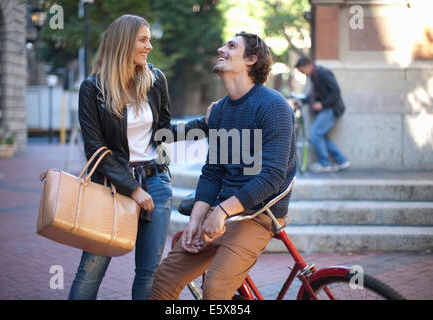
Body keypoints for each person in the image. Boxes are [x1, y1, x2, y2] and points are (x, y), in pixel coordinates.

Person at [69, 14, 211, 300]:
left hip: (156, 183)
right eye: (143, 40)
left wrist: (205, 123)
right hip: (111, 187)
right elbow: (95, 149)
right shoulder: (93, 89)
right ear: (123, 44)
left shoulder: (155, 79)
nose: (149, 46)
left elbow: (162, 132)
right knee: (91, 268)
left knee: (149, 271)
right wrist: (132, 189)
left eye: (149, 40)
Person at [149, 32, 296, 300]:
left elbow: (272, 176)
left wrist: (222, 212)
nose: (221, 49)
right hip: (223, 211)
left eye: (231, 46)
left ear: (250, 59)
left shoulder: (274, 106)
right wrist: (196, 218)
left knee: (215, 290)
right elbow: (213, 171)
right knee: (162, 282)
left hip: (259, 215)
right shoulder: (219, 111)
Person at [295, 56, 350, 173]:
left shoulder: (323, 73)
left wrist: (322, 104)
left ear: (308, 66)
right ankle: (342, 160)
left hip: (332, 109)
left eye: (302, 70)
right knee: (320, 135)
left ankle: (324, 163)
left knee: (315, 133)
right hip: (327, 109)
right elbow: (315, 95)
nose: (303, 74)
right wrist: (303, 101)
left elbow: (336, 92)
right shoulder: (314, 76)